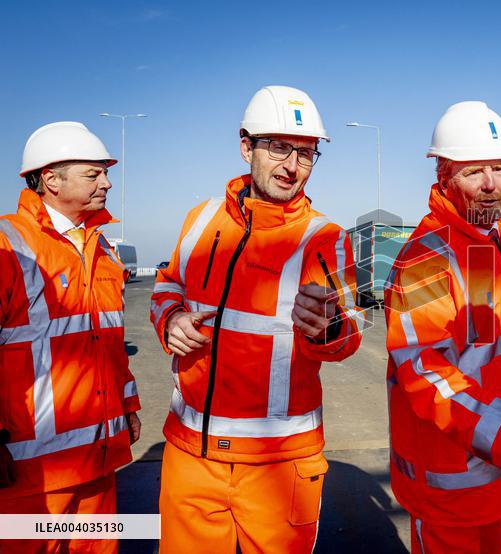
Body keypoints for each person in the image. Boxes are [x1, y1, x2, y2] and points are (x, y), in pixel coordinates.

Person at [150, 85, 364, 553]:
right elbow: (167, 283)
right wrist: (169, 318)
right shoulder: (201, 219)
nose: (292, 166)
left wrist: (329, 328)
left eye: (306, 154)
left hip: (279, 464)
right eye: (280, 148)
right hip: (191, 458)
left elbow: (350, 334)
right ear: (247, 146)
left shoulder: (325, 238)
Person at [385, 100, 501, 554]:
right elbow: (424, 369)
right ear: (444, 178)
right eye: (474, 172)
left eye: (499, 167)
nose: (492, 185)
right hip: (449, 481)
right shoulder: (426, 257)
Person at [0, 121, 141, 553]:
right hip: (30, 478)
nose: (107, 182)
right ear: (51, 179)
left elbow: (110, 345)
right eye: (93, 173)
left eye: (105, 173)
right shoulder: (10, 247)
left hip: (99, 465)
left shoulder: (103, 250)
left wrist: (129, 405)